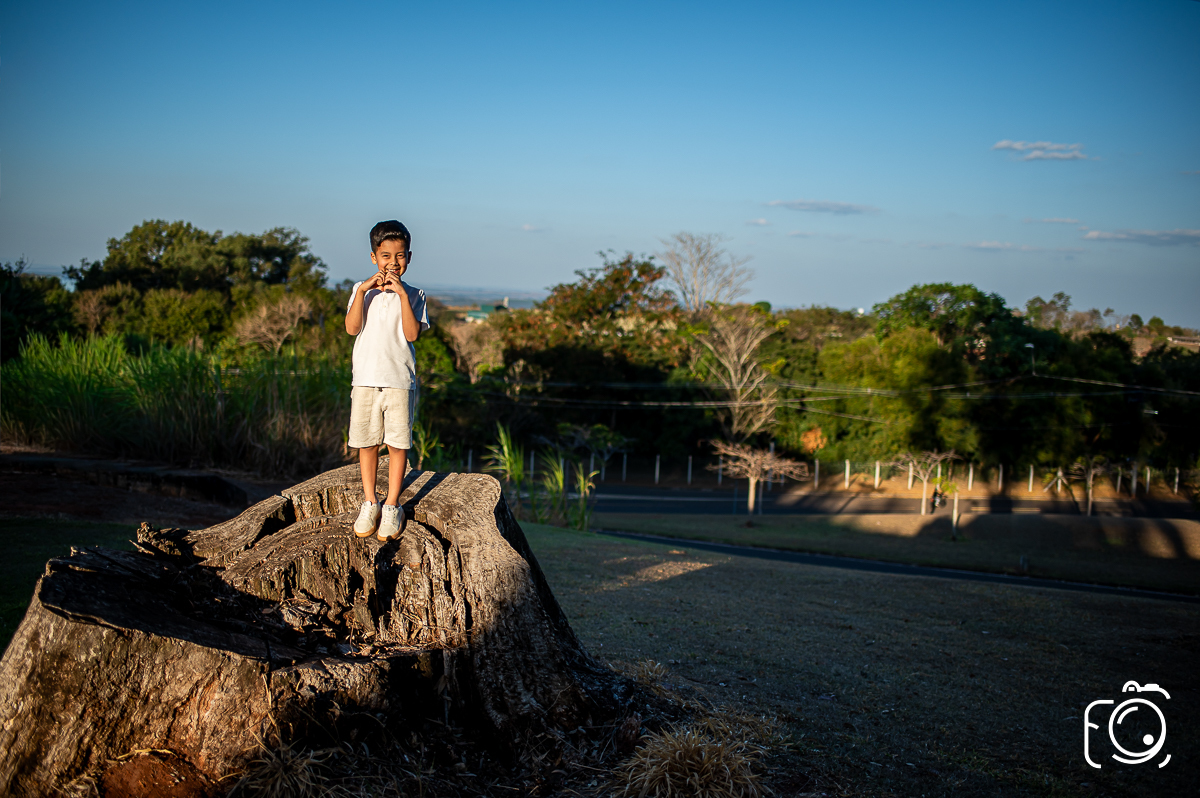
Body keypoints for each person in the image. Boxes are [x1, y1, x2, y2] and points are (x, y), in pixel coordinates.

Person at [344, 220, 429, 541]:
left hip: (399, 380)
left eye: (400, 256)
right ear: (373, 257)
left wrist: (402, 295)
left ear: (409, 257)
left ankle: (392, 504)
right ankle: (370, 502)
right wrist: (363, 291)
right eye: (386, 256)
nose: (393, 262)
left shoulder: (415, 293)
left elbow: (412, 334)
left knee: (397, 443)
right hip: (365, 378)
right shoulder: (360, 290)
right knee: (367, 442)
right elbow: (352, 328)